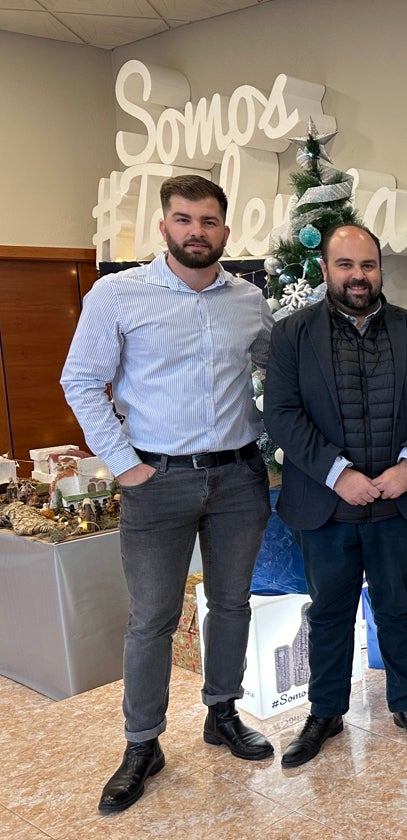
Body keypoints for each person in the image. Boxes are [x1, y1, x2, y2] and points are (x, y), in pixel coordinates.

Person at [61, 174, 276, 814]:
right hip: (156, 482)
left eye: (208, 222)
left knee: (232, 603)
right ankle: (141, 744)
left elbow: (275, 367)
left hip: (239, 477)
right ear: (163, 227)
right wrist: (125, 466)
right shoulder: (117, 295)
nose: (196, 232)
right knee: (152, 618)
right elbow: (81, 381)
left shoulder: (248, 300)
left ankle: (222, 712)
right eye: (184, 220)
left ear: (225, 232)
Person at [264, 223, 407, 767]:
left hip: (399, 500)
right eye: (345, 265)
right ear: (325, 270)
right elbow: (280, 413)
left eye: (367, 265)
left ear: (379, 270)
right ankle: (324, 712)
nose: (357, 276)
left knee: (398, 606)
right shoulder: (292, 336)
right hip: (325, 505)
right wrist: (337, 474)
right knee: (328, 611)